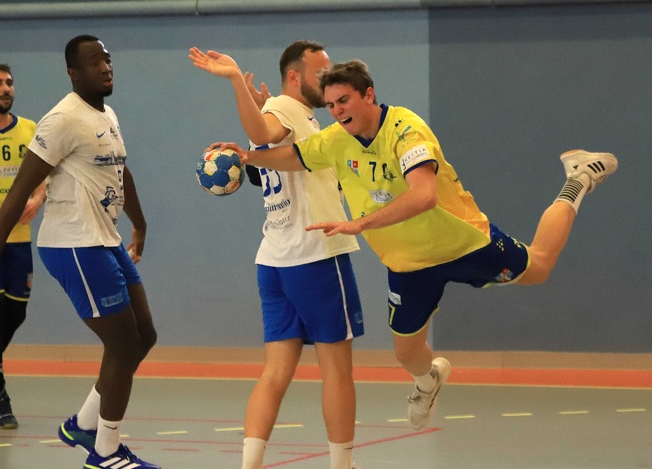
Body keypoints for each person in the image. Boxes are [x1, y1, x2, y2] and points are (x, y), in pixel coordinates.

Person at [213, 59, 618, 433]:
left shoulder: (407, 129)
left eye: (344, 100)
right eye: (332, 104)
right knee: (406, 353)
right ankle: (429, 381)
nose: (337, 110)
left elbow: (423, 195)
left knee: (540, 266)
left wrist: (360, 223)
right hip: (408, 264)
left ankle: (577, 179)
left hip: (462, 243)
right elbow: (293, 158)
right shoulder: (336, 140)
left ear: (368, 95)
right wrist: (246, 157)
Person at [189, 42, 385, 469]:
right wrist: (236, 79)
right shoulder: (287, 109)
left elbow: (267, 141)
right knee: (337, 370)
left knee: (275, 371)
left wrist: (258, 122)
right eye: (322, 73)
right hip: (316, 254)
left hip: (274, 260)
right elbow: (261, 127)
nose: (330, 79)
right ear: (296, 77)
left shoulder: (299, 117)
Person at [0, 35, 161, 469]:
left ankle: (83, 424)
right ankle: (105, 450)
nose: (106, 66)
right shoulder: (60, 120)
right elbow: (18, 191)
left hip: (105, 237)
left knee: (145, 335)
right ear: (73, 72)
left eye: (108, 59)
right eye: (95, 61)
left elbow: (121, 170)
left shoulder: (106, 113)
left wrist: (139, 223)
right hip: (74, 244)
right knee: (122, 345)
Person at [0, 63, 46, 429]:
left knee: (15, 313)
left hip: (19, 239)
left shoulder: (30, 131)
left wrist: (39, 198)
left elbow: (44, 176)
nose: (5, 89)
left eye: (9, 83)